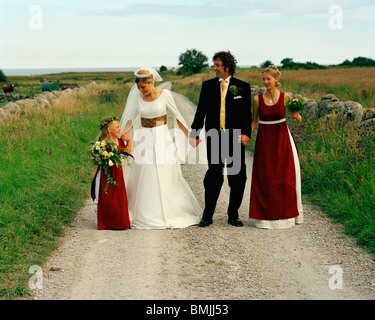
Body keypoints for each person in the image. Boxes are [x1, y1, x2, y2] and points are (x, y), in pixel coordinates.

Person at [119, 67, 201, 229]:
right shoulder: (138, 98)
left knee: (163, 172)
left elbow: (177, 116)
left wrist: (190, 135)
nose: (141, 90)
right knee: (144, 172)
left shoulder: (166, 95)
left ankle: (168, 211)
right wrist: (123, 133)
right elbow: (131, 118)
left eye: (144, 87)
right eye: (139, 87)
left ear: (152, 82)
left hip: (161, 137)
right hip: (144, 138)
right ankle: (141, 212)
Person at [189, 51, 252, 227]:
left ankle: (233, 214)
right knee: (214, 175)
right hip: (214, 137)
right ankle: (207, 214)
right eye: (214, 65)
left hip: (235, 138)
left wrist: (246, 133)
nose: (214, 68)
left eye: (217, 65)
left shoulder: (242, 87)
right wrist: (195, 133)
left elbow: (247, 115)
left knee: (238, 177)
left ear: (227, 66)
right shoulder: (207, 86)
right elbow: (200, 111)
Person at [249, 65, 303, 229]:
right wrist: (245, 136)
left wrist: (296, 115)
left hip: (282, 140)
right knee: (265, 178)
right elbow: (254, 122)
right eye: (263, 79)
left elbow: (298, 120)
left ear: (276, 79)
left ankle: (286, 216)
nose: (265, 82)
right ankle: (264, 217)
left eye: (268, 79)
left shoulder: (286, 98)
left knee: (284, 178)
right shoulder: (257, 99)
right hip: (264, 140)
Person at [91, 116, 130, 230]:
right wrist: (101, 157)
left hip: (117, 172)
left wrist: (129, 141)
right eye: (117, 127)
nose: (119, 129)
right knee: (103, 195)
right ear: (109, 129)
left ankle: (119, 222)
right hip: (104, 173)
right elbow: (95, 155)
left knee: (117, 197)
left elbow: (126, 153)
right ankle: (102, 221)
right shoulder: (102, 142)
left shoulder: (119, 141)